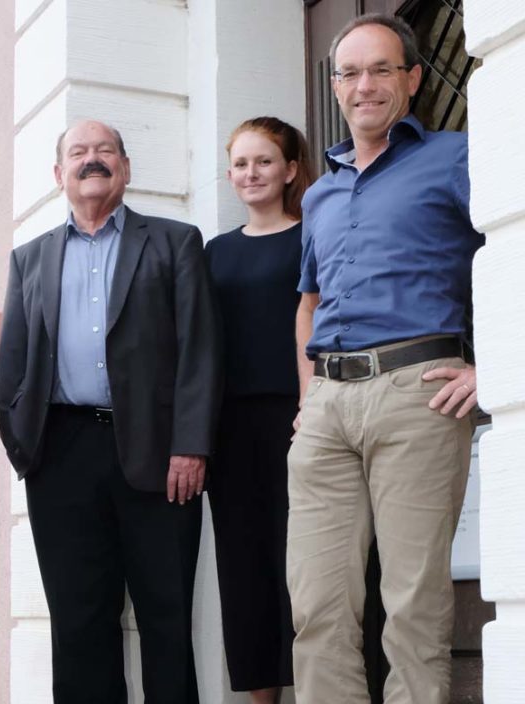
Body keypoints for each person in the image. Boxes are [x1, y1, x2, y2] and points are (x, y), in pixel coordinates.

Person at [287, 14, 484, 704]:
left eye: (381, 70)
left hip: (417, 392)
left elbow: (513, 249)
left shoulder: (457, 157)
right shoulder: (320, 193)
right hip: (327, 408)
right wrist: (308, 396)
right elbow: (308, 304)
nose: (364, 85)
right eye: (350, 72)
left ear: (414, 79)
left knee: (413, 607)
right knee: (316, 607)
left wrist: (490, 366)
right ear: (335, 86)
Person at [0, 119, 221, 703]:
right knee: (78, 626)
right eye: (78, 152)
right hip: (61, 456)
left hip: (161, 456)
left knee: (167, 621)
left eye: (104, 150)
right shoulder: (29, 259)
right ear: (59, 173)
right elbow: (14, 364)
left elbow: (200, 350)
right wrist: (27, 452)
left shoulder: (174, 242)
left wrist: (190, 444)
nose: (91, 159)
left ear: (125, 167)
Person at [205, 116, 314, 704]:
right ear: (230, 175)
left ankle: (320, 688)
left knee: (304, 560)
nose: (252, 173)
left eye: (265, 161)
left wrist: (310, 404)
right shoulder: (215, 252)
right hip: (231, 431)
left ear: (290, 170)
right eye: (242, 164)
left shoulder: (312, 237)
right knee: (243, 567)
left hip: (301, 420)